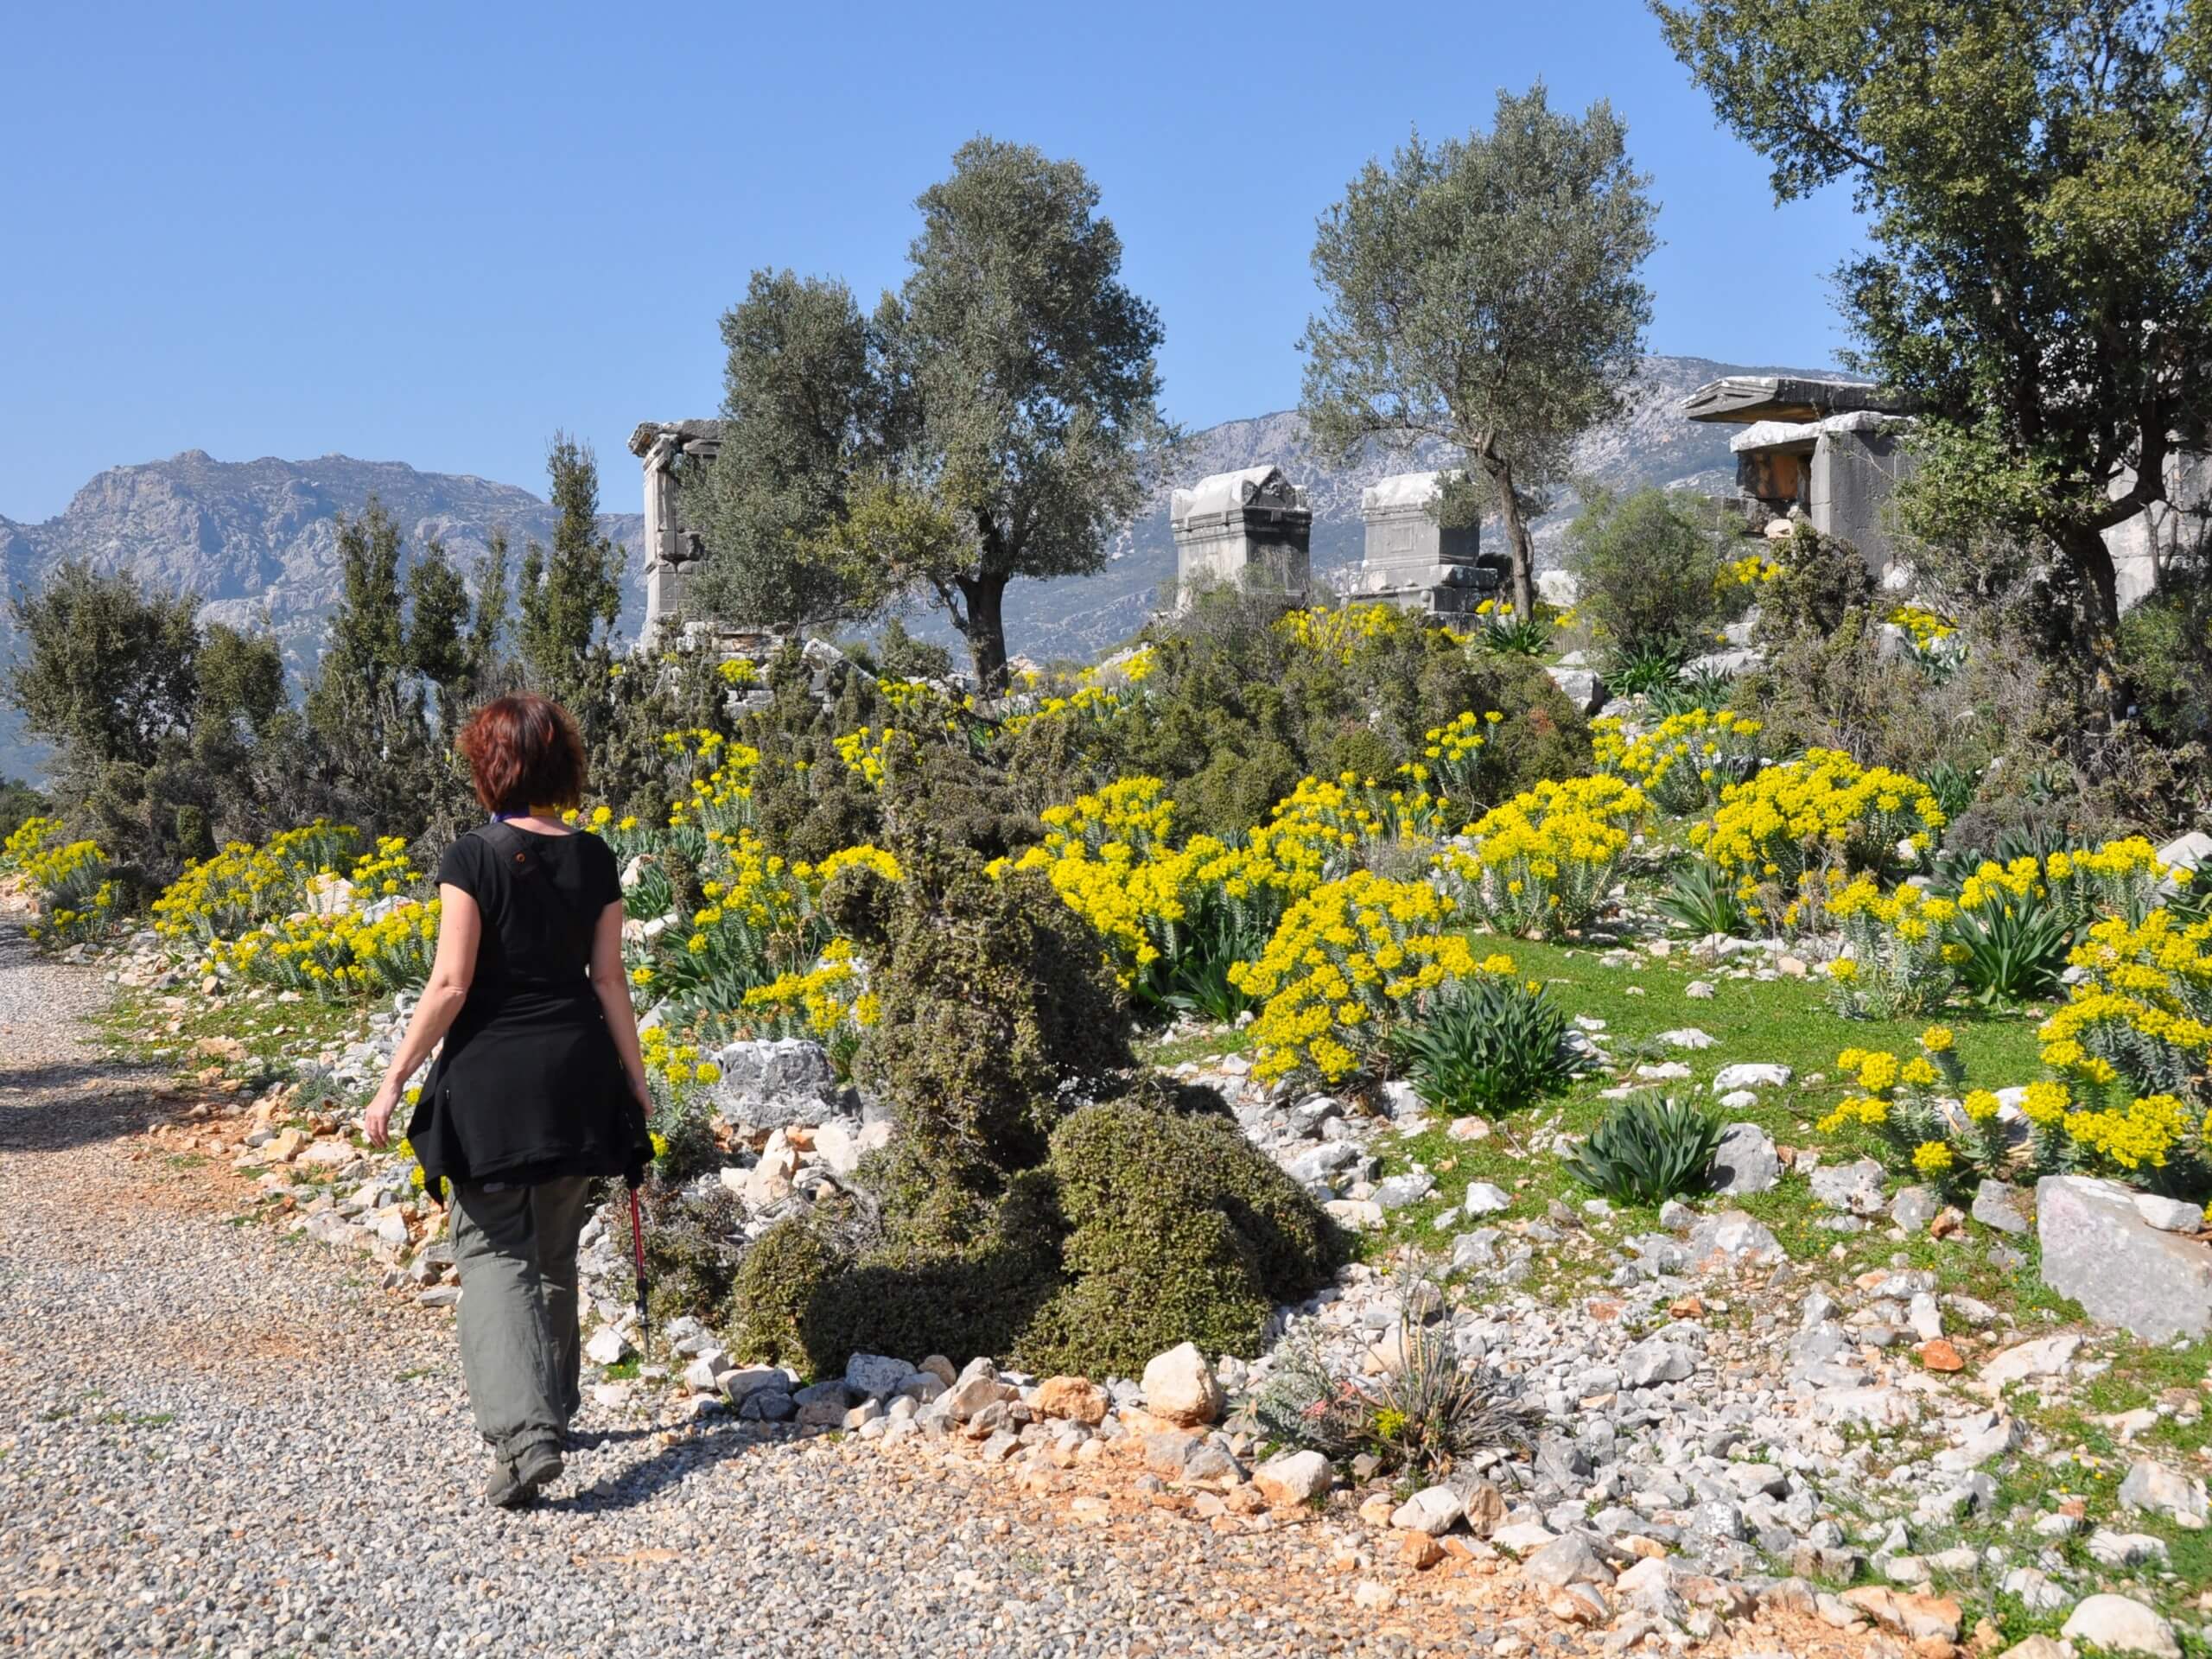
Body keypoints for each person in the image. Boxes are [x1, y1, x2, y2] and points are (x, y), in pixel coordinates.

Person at [364, 692, 652, 1509]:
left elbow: (452, 984)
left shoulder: (473, 857)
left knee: (494, 1255)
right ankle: (554, 1405)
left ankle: (524, 1436)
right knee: (554, 1250)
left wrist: (394, 1078)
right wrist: (634, 1080)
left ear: (491, 767)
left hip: (493, 1080)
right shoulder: (596, 857)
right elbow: (609, 980)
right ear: (562, 766)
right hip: (579, 1074)